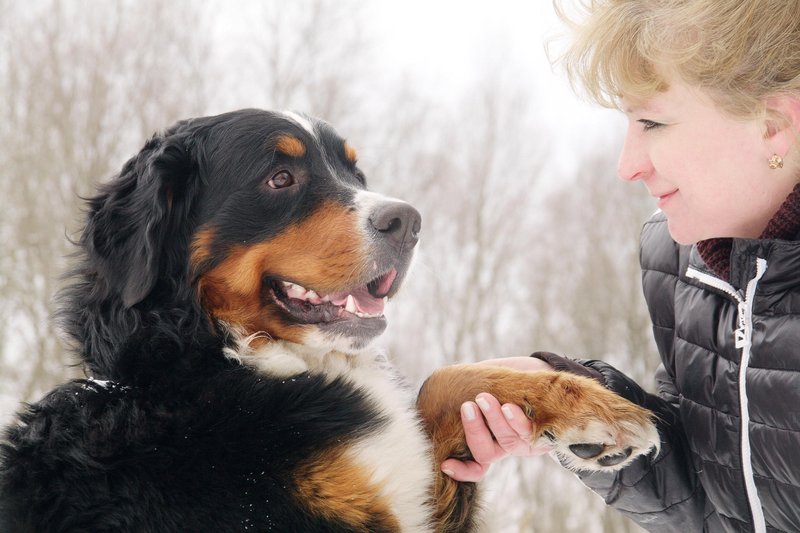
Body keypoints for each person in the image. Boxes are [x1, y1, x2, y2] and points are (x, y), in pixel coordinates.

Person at [441, 1, 800, 531]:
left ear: (774, 124)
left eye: (652, 122)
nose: (628, 165)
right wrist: (571, 400)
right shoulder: (676, 255)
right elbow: (709, 502)